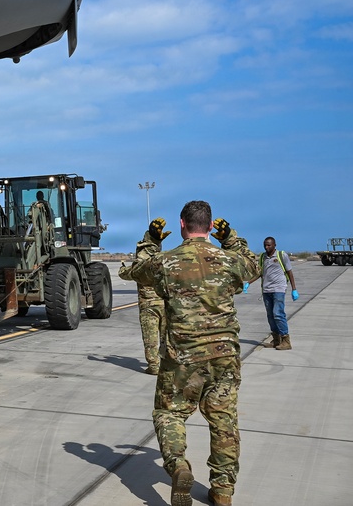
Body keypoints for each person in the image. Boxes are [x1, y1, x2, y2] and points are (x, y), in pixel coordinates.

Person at [121, 201, 258, 506]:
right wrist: (231, 239)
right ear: (210, 227)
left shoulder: (166, 262)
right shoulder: (228, 259)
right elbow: (253, 264)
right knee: (223, 418)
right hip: (224, 354)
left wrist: (151, 240)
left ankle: (179, 466)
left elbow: (132, 271)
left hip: (183, 355)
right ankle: (222, 491)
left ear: (181, 224)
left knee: (169, 413)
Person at [119, 221, 168, 374]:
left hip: (148, 303)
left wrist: (122, 269)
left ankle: (154, 366)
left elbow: (131, 274)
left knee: (150, 337)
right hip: (165, 301)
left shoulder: (142, 258)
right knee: (166, 337)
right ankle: (167, 365)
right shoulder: (164, 258)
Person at [245, 236, 298, 350]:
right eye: (265, 245)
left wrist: (294, 289)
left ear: (274, 245)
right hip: (266, 290)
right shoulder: (263, 257)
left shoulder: (281, 255)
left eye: (269, 245)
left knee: (278, 314)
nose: (266, 247)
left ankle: (286, 340)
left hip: (279, 289)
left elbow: (290, 272)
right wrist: (248, 283)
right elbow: (260, 273)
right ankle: (276, 339)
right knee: (270, 316)